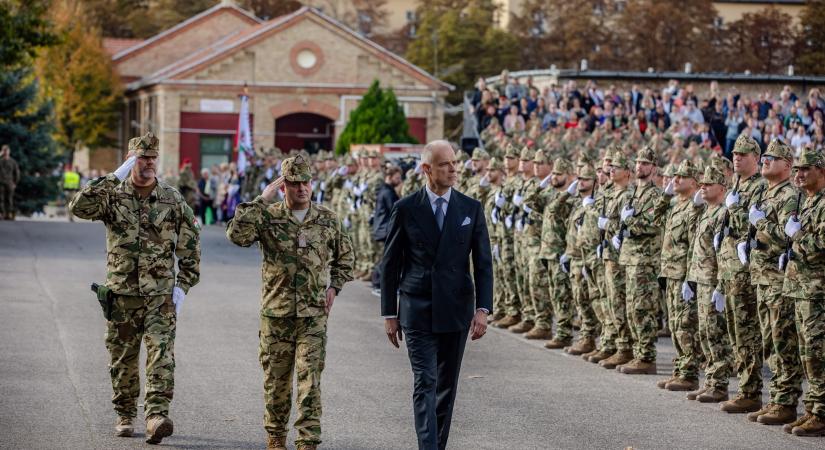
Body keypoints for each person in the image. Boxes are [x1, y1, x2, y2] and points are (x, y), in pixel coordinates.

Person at [68, 132, 201, 444]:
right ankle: (125, 414)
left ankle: (156, 415)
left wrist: (183, 285)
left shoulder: (171, 198)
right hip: (122, 294)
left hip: (160, 296)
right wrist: (113, 177)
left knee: (162, 354)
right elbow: (78, 207)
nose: (148, 163)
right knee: (122, 358)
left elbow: (191, 247)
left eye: (152, 157)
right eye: (142, 158)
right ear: (131, 160)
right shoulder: (112, 196)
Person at [226, 155, 354, 450]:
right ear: (284, 186)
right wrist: (260, 200)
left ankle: (308, 441)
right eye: (294, 184)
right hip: (276, 314)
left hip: (313, 315)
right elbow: (236, 235)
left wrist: (335, 285)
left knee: (310, 380)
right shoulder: (268, 216)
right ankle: (276, 436)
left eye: (305, 183)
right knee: (277, 381)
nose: (301, 189)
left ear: (312, 183)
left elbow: (346, 257)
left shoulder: (327, 219)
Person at [380, 140, 493, 450]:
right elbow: (390, 264)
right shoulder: (406, 208)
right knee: (425, 381)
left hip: (456, 308)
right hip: (417, 308)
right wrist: (389, 314)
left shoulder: (470, 208)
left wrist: (483, 309)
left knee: (446, 386)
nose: (453, 169)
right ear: (427, 169)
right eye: (445, 164)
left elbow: (483, 263)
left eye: (454, 162)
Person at [371, 165, 402, 295]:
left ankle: (378, 283)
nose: (399, 180)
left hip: (381, 229)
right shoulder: (388, 192)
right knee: (388, 259)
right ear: (389, 177)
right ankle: (378, 284)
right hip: (385, 230)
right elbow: (395, 210)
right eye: (397, 178)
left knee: (386, 258)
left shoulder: (384, 190)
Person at [0, 144, 21, 220]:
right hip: (1, 182)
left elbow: (17, 173)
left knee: (9, 199)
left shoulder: (13, 162)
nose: (5, 152)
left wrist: (15, 183)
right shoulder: (0, 161)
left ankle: (8, 214)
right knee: (0, 199)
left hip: (10, 182)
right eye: (4, 150)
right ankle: (2, 214)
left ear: (9, 151)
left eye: (7, 150)